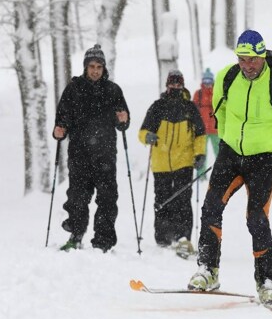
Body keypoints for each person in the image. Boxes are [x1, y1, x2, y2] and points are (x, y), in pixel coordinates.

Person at [188, 30, 272, 306]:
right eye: (243, 59)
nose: (248, 65)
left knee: (256, 218)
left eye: (253, 60)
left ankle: (266, 282)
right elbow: (219, 110)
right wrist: (227, 140)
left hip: (264, 158)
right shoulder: (227, 77)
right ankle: (208, 270)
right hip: (230, 153)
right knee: (210, 207)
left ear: (263, 56)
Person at [54, 44, 130, 253]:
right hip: (79, 154)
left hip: (105, 154)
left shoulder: (113, 90)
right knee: (77, 197)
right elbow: (62, 118)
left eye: (99, 66)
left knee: (107, 199)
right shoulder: (73, 89)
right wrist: (59, 129)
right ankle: (76, 235)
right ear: (85, 67)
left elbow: (122, 120)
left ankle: (103, 242)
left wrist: (123, 120)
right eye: (92, 66)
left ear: (104, 68)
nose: (95, 70)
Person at [138, 69, 206, 258]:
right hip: (161, 163)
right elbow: (142, 132)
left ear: (182, 85)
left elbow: (200, 134)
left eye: (178, 83)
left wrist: (200, 154)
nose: (175, 87)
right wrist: (148, 136)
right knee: (162, 199)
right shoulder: (157, 107)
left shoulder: (190, 107)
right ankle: (163, 237)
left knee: (183, 200)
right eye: (172, 83)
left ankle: (183, 236)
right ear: (167, 85)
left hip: (184, 161)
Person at [193, 68, 219, 178]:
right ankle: (201, 175)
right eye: (205, 81)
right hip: (201, 130)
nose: (207, 84)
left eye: (209, 81)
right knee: (201, 153)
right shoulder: (198, 94)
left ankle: (221, 175)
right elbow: (193, 111)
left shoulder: (217, 93)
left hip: (216, 129)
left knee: (220, 153)